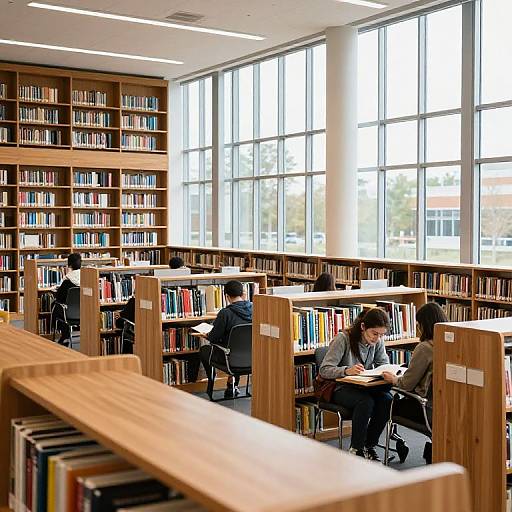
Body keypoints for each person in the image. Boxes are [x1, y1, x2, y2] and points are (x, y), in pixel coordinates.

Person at [319, 308, 391, 461]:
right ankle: (356, 449)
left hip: (364, 386)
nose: (377, 338)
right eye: (375, 334)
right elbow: (325, 370)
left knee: (387, 400)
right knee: (365, 402)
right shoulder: (343, 339)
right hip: (339, 388)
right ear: (363, 327)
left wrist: (384, 372)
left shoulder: (377, 341)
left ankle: (368, 445)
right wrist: (346, 370)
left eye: (381, 335)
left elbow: (383, 363)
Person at [382, 302, 448, 463]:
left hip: (426, 410)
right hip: (446, 409)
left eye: (419, 325)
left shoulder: (424, 348)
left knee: (386, 403)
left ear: (424, 325)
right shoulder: (452, 344)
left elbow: (407, 385)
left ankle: (369, 448)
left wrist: (394, 379)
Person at [199, 280, 253, 399]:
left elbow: (214, 338)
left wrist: (207, 335)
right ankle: (232, 384)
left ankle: (211, 385)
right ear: (243, 294)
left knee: (205, 350)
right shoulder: (254, 309)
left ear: (226, 296)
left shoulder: (225, 313)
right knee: (235, 346)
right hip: (253, 360)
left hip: (230, 359)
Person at [51, 253, 81, 345]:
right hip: (84, 312)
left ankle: (65, 334)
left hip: (69, 313)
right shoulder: (87, 277)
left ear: (69, 264)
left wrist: (55, 291)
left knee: (55, 305)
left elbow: (60, 297)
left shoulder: (68, 280)